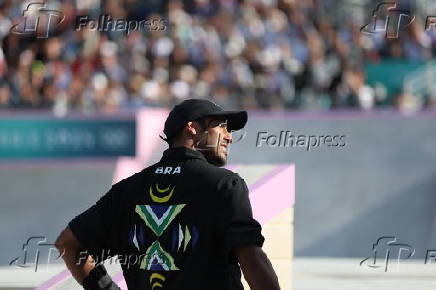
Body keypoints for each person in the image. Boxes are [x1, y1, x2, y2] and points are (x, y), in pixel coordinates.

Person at [55, 99, 281, 290]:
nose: (229, 137)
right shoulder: (224, 185)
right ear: (192, 128)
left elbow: (68, 244)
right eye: (221, 127)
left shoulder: (127, 190)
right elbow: (252, 259)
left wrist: (106, 287)